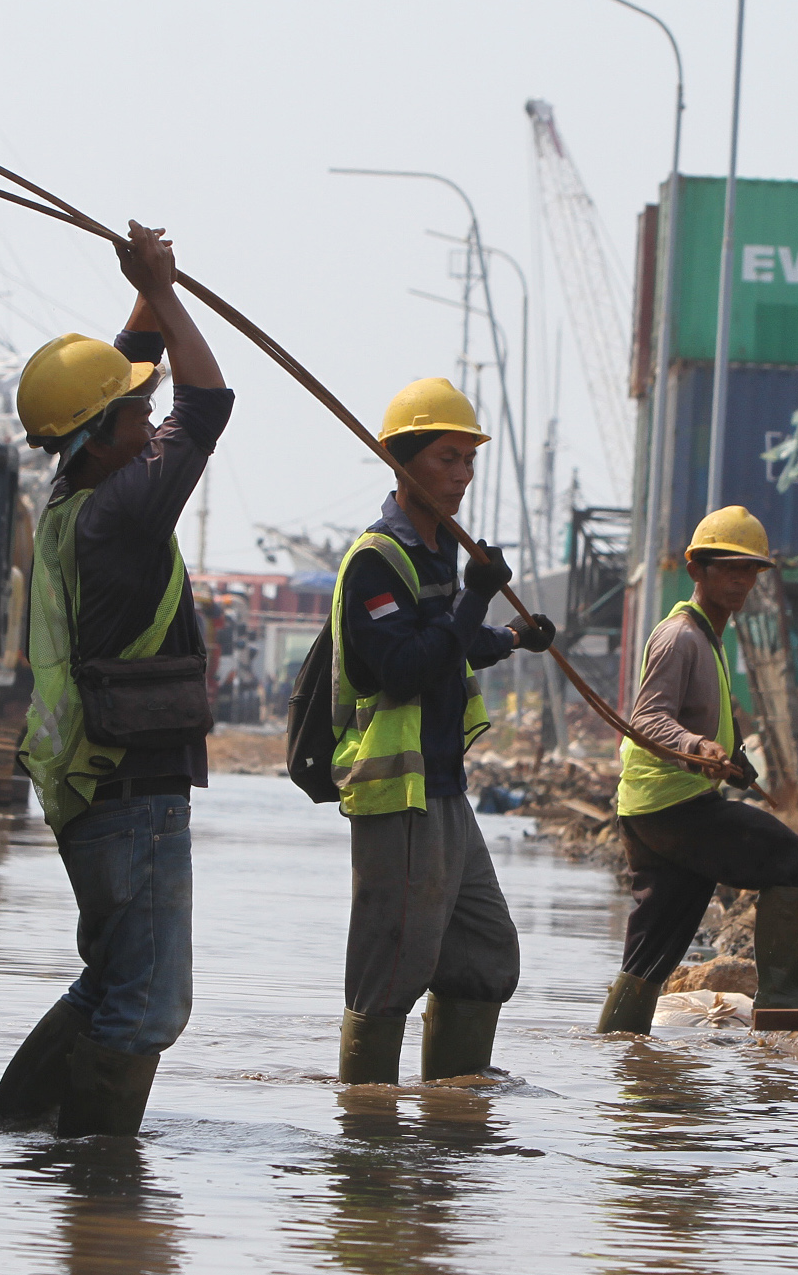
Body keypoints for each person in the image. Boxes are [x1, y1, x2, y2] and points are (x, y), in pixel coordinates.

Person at [0, 222, 230, 1137]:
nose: (150, 423)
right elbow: (207, 402)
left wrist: (144, 287)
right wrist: (164, 290)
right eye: (137, 415)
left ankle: (15, 1135)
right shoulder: (123, 512)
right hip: (131, 790)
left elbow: (132, 365)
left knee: (112, 979)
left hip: (96, 784)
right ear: (101, 437)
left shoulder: (72, 494)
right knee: (149, 1001)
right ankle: (95, 1181)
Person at [327, 379, 556, 1084]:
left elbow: (449, 641)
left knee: (484, 952)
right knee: (391, 969)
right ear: (401, 462)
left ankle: (452, 1116)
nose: (461, 475)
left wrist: (510, 637)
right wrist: (478, 597)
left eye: (468, 460)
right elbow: (405, 668)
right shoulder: (375, 560)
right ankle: (367, 1124)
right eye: (446, 459)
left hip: (444, 785)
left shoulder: (438, 552)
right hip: (397, 793)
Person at [595, 506, 798, 1034]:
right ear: (696, 570)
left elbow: (692, 716)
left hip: (651, 807)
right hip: (674, 804)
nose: (741, 581)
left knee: (656, 943)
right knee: (790, 858)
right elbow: (648, 718)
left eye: (749, 570)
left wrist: (732, 762)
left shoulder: (707, 636)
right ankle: (785, 997)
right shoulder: (681, 636)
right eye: (728, 569)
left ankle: (620, 1047)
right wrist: (697, 746)